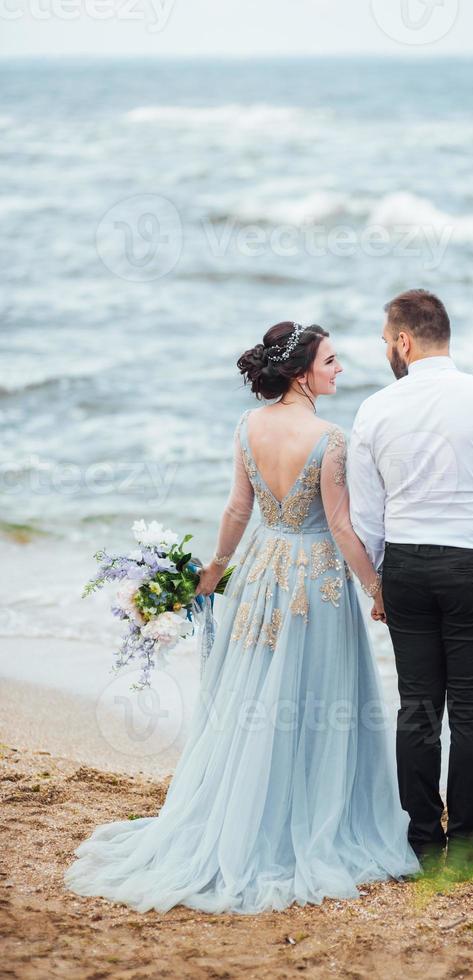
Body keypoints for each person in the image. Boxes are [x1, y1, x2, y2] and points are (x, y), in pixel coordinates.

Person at [64, 320, 420, 915]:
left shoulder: (248, 426)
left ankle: (245, 810)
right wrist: (375, 586)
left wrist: (214, 570)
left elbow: (237, 507)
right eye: (331, 361)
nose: (339, 370)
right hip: (315, 578)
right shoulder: (331, 438)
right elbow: (339, 525)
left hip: (259, 569)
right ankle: (304, 822)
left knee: (256, 690)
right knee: (313, 695)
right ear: (302, 371)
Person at [348, 289, 473, 868]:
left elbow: (366, 512)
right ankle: (466, 845)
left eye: (387, 341)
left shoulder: (375, 408)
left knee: (418, 708)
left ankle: (422, 844)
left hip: (408, 565)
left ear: (404, 342)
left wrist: (382, 580)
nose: (387, 350)